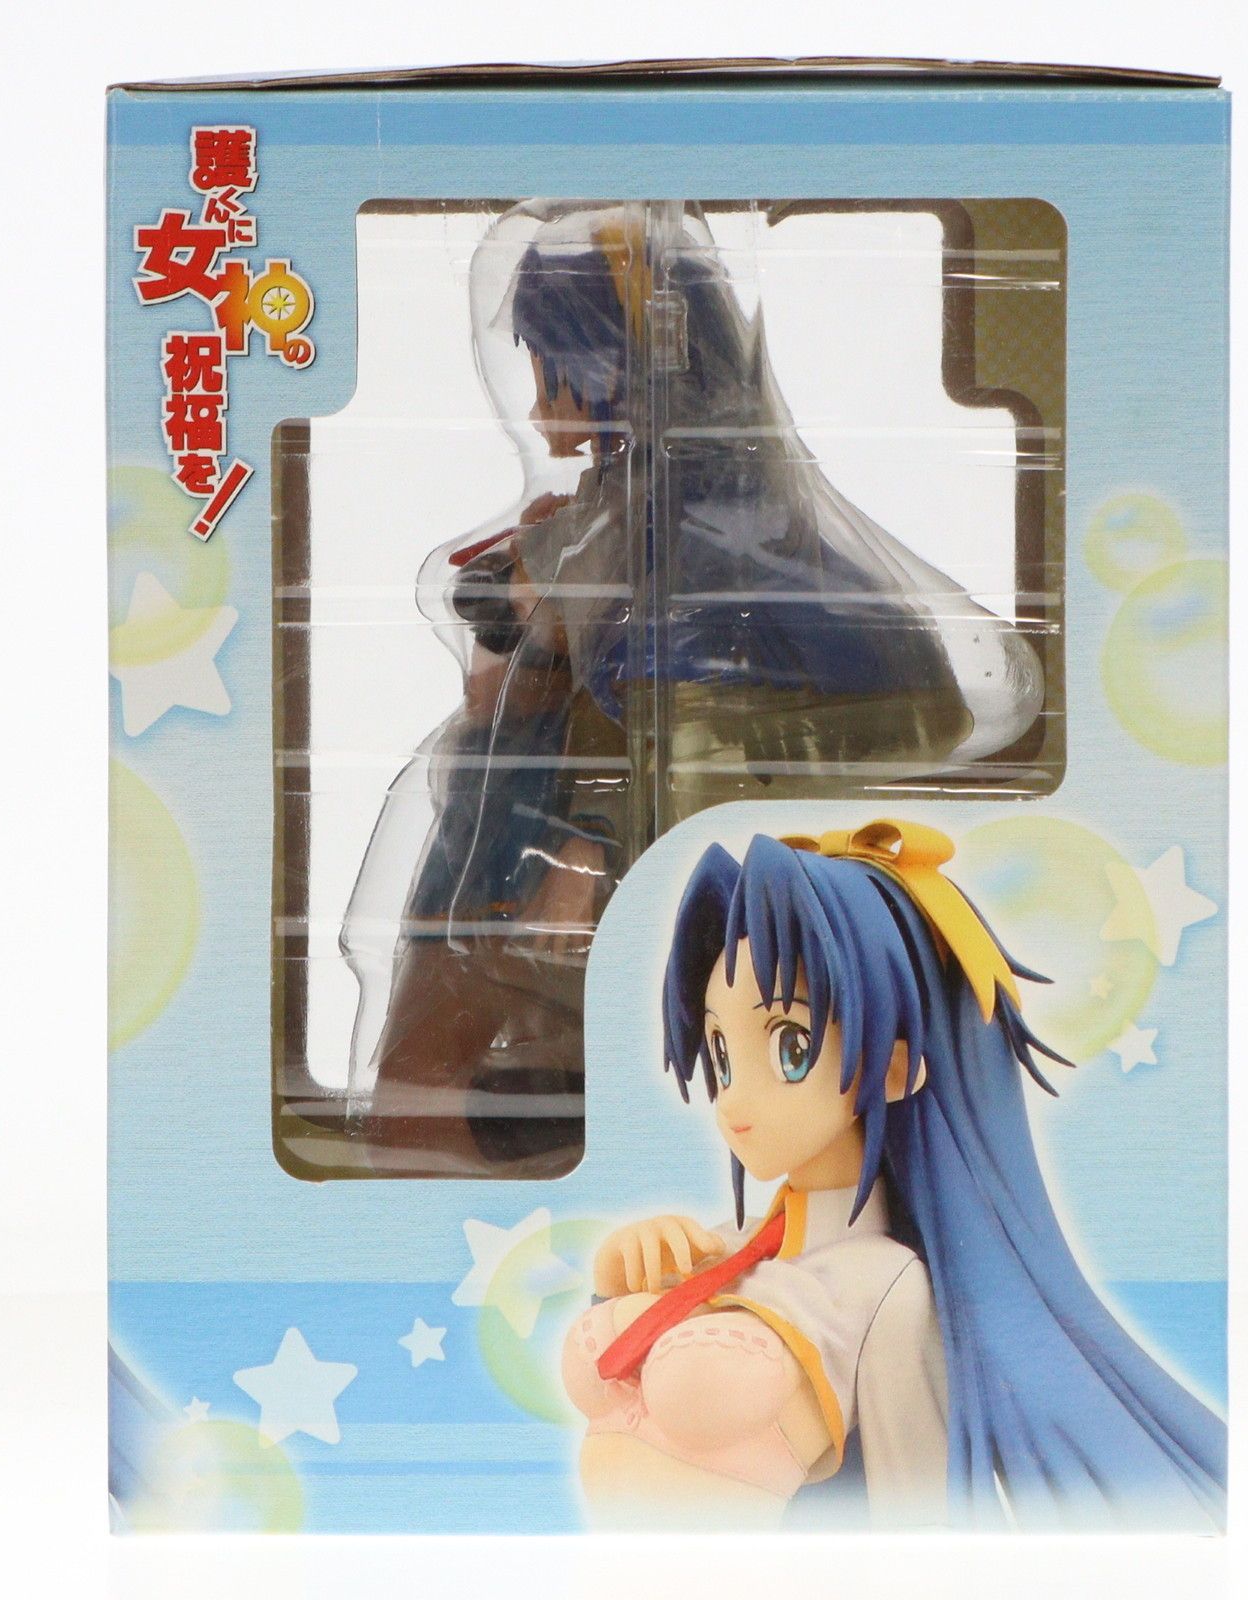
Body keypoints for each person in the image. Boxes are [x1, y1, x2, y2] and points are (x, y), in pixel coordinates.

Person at [338, 202, 1044, 1178]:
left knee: (483, 844)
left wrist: (588, 849)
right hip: (591, 826)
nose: (539, 408)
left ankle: (459, 1108)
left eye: (551, 370)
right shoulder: (632, 511)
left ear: (602, 369)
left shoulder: (693, 554)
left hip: (640, 853)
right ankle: (463, 1105)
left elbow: (678, 762)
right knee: (482, 794)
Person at [566, 821, 1226, 1530]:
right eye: (722, 1053)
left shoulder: (888, 1285)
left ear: (891, 1068)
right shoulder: (723, 1246)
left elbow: (915, 1495)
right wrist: (618, 1278)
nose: (733, 1100)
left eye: (791, 1047)